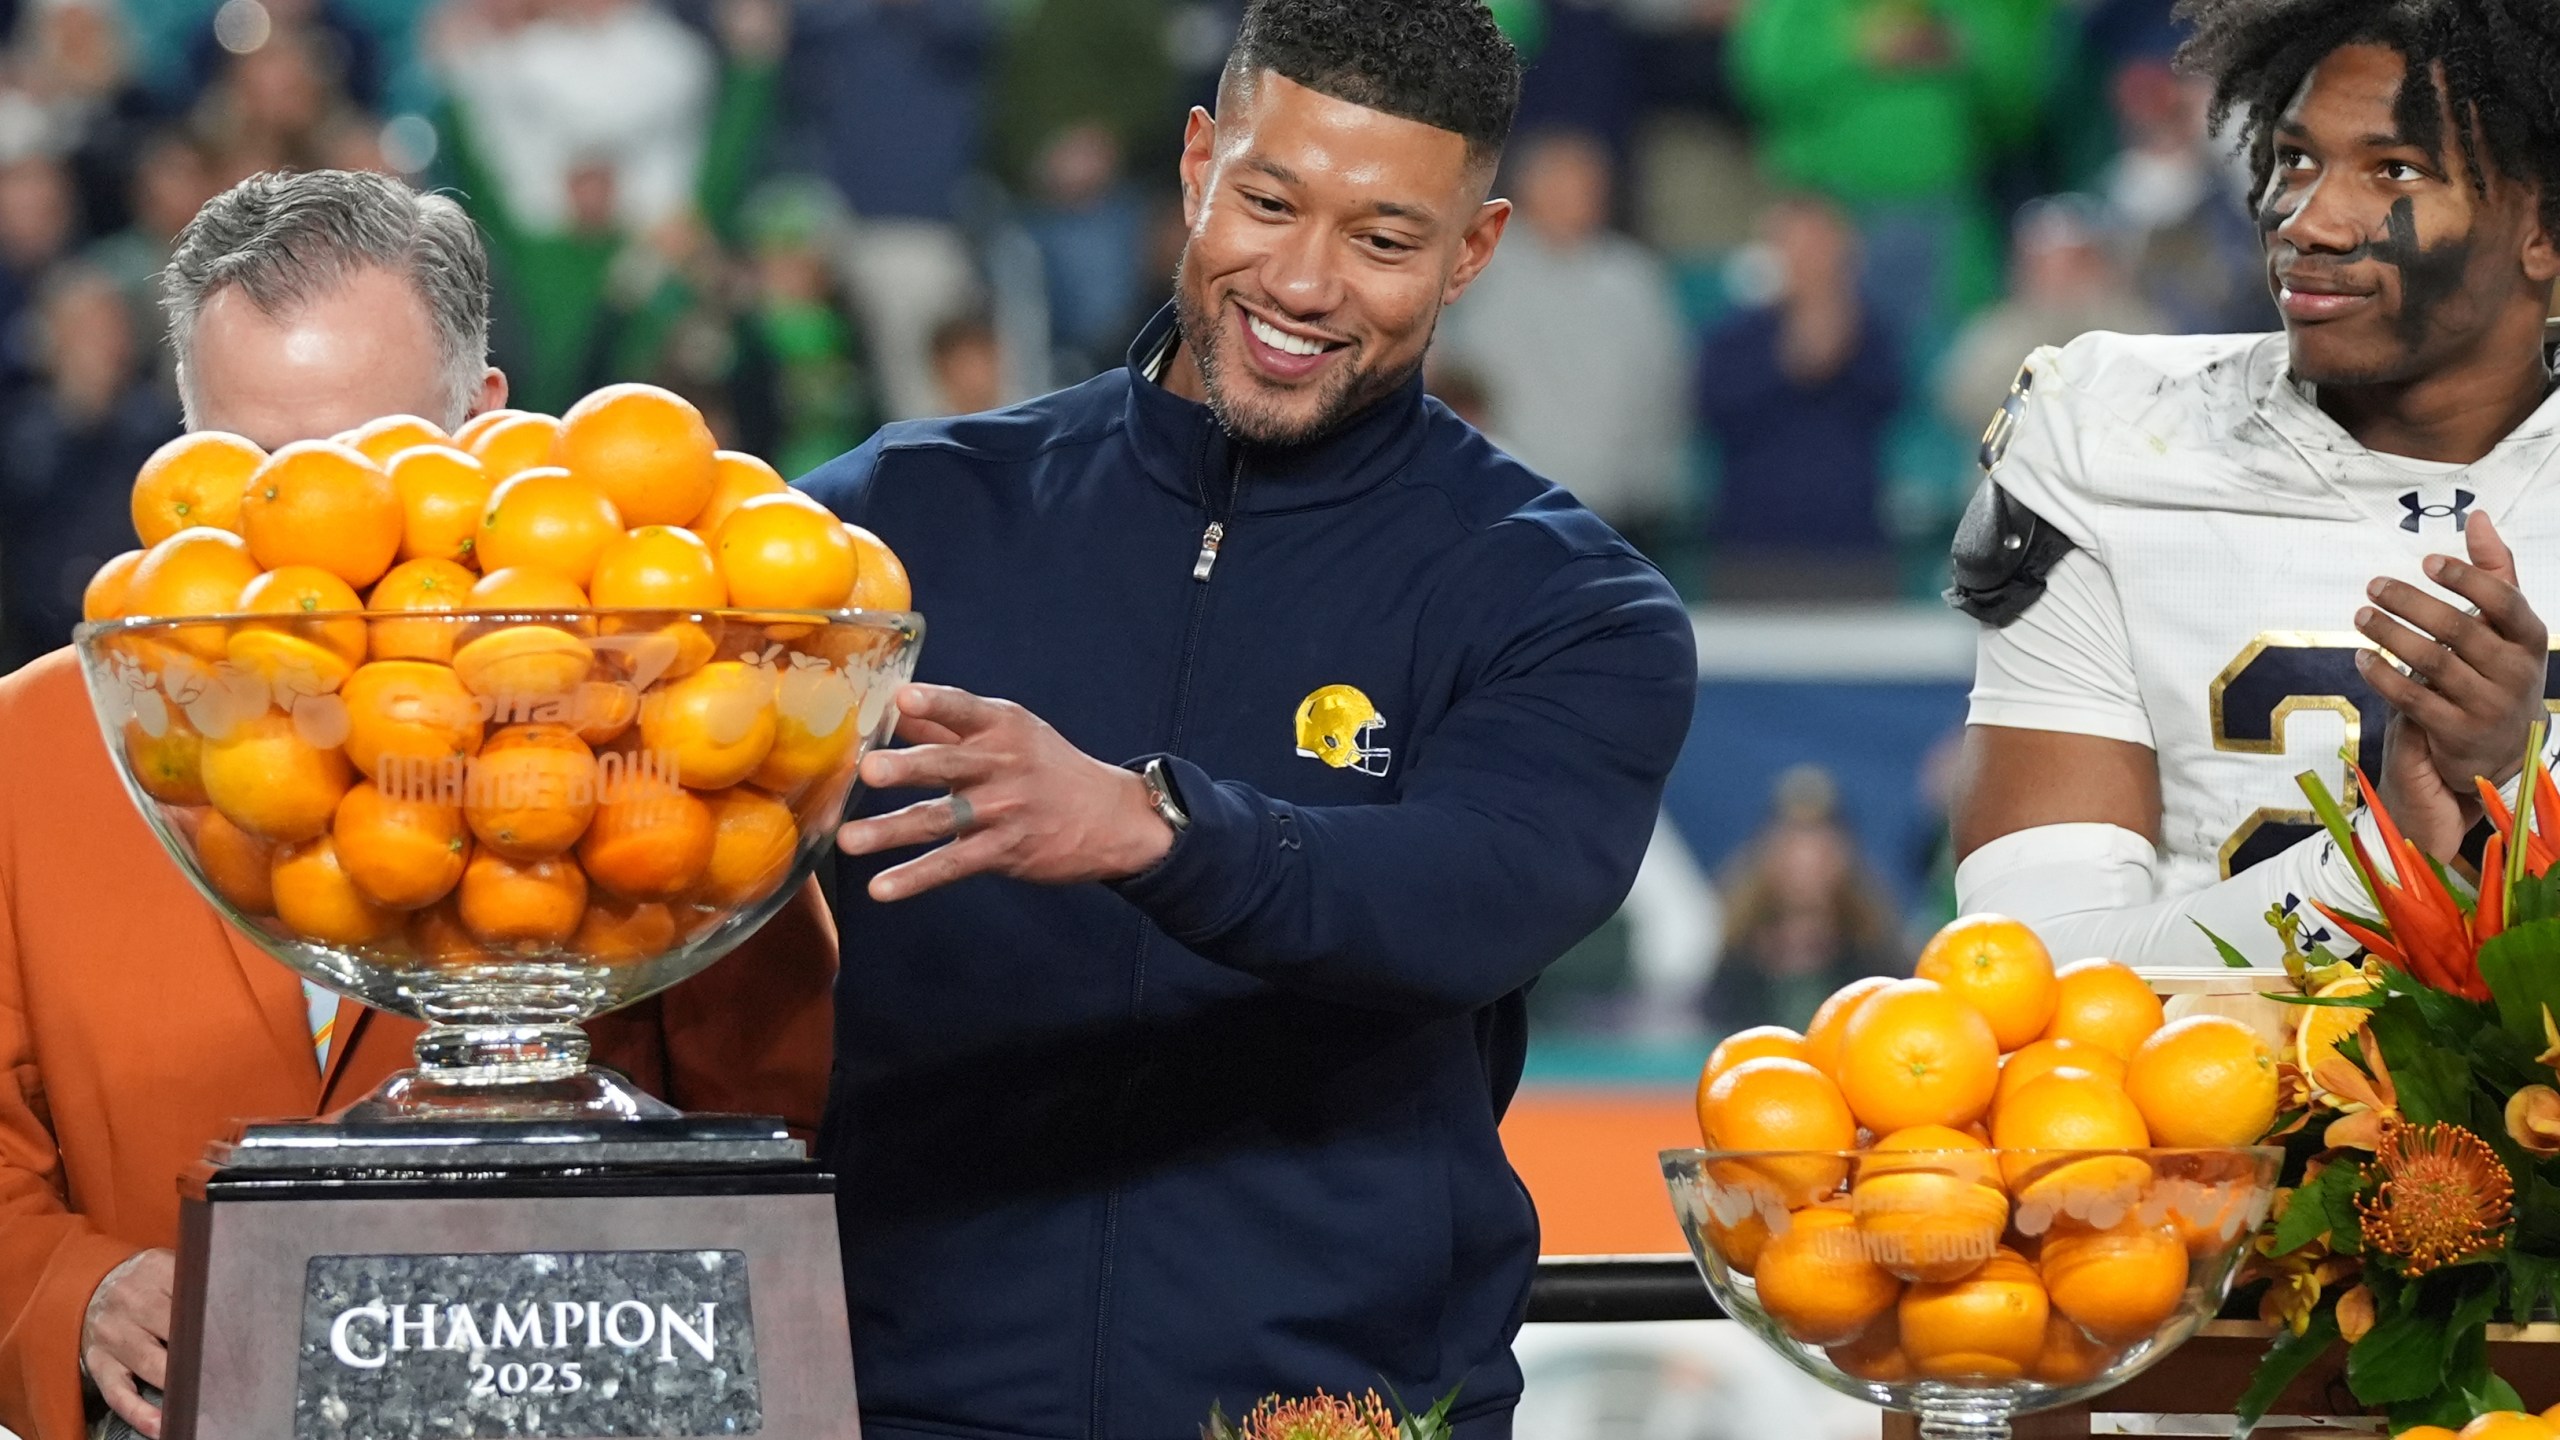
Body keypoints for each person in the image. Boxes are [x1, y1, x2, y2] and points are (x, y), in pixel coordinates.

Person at [798, 1, 1698, 1434]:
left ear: (1474, 250)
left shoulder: (1570, 603)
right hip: (892, 1396)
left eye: (1385, 240)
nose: (1305, 283)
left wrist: (1155, 829)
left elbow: (1479, 892)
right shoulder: (888, 524)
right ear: (1198, 162)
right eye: (1269, 203)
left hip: (1340, 1410)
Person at [0, 169, 838, 1440]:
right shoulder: (31, 747)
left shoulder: (653, 730)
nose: (323, 532)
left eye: (381, 458)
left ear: (489, 425)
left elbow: (773, 1112)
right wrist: (75, 1289)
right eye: (262, 468)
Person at [1947, 0, 2560, 968]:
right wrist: (2381, 858)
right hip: (2202, 1118)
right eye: (2294, 159)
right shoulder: (2116, 441)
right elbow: (2030, 971)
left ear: (2545, 233)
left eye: (2391, 169)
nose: (2305, 221)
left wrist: (2521, 793)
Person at [1435, 128, 1688, 558]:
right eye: (1560, 183)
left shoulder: (1633, 280)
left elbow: (1663, 391)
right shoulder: (1481, 264)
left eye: (1588, 185)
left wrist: (1651, 487)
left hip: (1616, 510)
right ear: (1528, 189)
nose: (1576, 197)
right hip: (1503, 500)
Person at [1694, 194, 1904, 600]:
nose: (1808, 259)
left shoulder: (1873, 334)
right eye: (1794, 243)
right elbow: (1713, 410)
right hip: (1752, 554)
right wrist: (1788, 359)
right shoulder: (1733, 337)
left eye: (1820, 243)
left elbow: (1889, 399)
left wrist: (1834, 337)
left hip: (1852, 555)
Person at [0, 263, 180, 670]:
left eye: (111, 324)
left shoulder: (164, 431)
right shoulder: (17, 436)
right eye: (84, 326)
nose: (101, 340)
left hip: (140, 647)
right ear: (48, 337)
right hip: (33, 649)